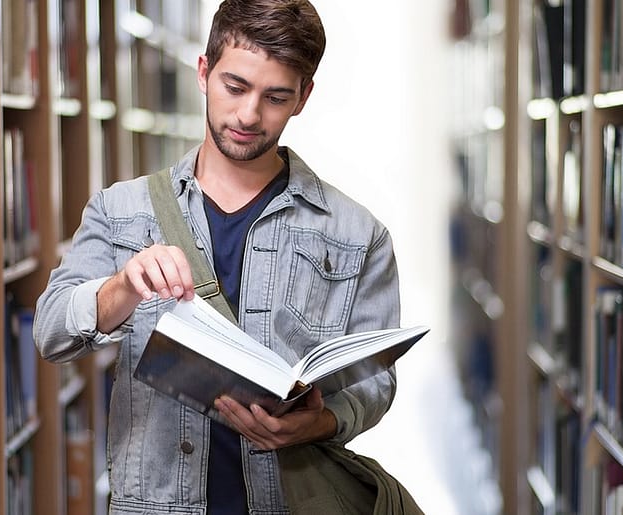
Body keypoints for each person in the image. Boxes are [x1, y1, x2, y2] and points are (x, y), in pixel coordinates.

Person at [33, 1, 403, 513]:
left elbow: (375, 380)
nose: (249, 115)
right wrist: (120, 287)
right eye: (236, 87)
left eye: (275, 97)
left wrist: (320, 422)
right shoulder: (121, 211)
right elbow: (50, 332)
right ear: (204, 72)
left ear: (304, 97)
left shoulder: (359, 234)